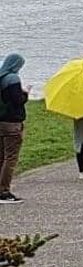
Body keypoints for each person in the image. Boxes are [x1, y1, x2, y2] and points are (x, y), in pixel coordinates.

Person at [0, 54, 28, 204]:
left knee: (1, 156)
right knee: (11, 158)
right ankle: (4, 191)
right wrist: (25, 92)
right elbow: (18, 100)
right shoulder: (13, 79)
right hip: (12, 123)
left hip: (1, 122)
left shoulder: (1, 77)